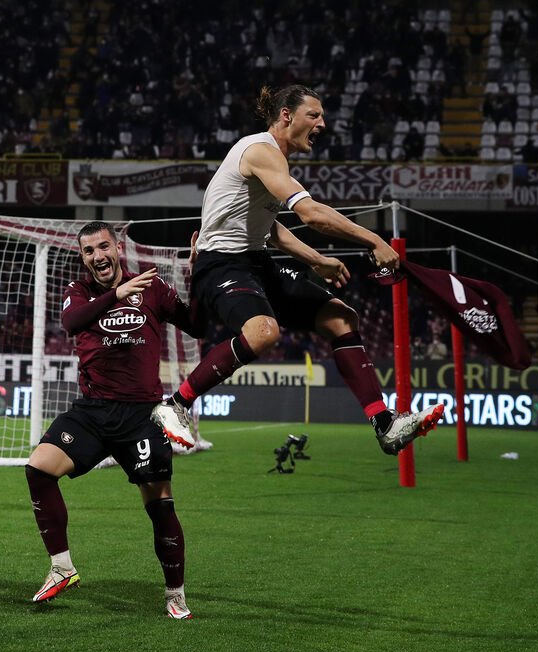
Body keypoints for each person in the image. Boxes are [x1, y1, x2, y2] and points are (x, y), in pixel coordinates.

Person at [150, 84, 444, 455]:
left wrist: (316, 260)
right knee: (263, 332)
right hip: (220, 263)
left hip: (255, 261)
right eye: (314, 115)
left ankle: (385, 424)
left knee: (341, 317)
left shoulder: (273, 160)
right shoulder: (260, 151)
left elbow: (270, 229)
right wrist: (374, 240)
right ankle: (174, 405)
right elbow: (311, 214)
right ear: (287, 116)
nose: (322, 123)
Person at [25, 221, 202, 619]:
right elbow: (71, 323)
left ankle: (175, 595)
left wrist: (197, 274)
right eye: (89, 251)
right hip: (92, 411)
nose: (98, 257)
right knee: (38, 469)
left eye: (103, 247)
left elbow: (198, 323)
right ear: (83, 256)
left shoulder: (152, 288)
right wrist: (116, 295)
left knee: (160, 505)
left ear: (117, 247)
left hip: (141, 415)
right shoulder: (79, 292)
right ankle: (62, 568)